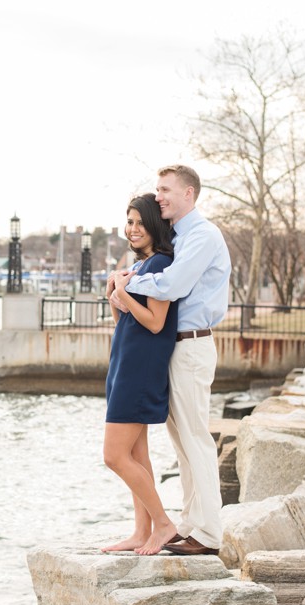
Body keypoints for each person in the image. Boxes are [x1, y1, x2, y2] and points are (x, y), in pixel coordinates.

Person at [114, 164, 231, 556]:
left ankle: (210, 534)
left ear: (189, 194)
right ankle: (192, 524)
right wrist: (134, 275)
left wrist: (128, 282)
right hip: (176, 347)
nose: (159, 196)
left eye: (165, 190)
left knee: (196, 439)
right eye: (157, 190)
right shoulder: (179, 238)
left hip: (192, 345)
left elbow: (174, 285)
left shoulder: (201, 236)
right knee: (182, 443)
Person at [101, 193, 180, 556]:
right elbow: (128, 321)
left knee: (114, 456)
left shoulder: (163, 263)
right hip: (125, 362)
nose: (132, 229)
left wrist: (123, 291)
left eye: (139, 222)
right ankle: (141, 530)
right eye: (128, 221)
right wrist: (114, 298)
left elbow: (155, 322)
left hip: (141, 370)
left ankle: (163, 524)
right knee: (137, 454)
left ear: (154, 224)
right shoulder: (142, 265)